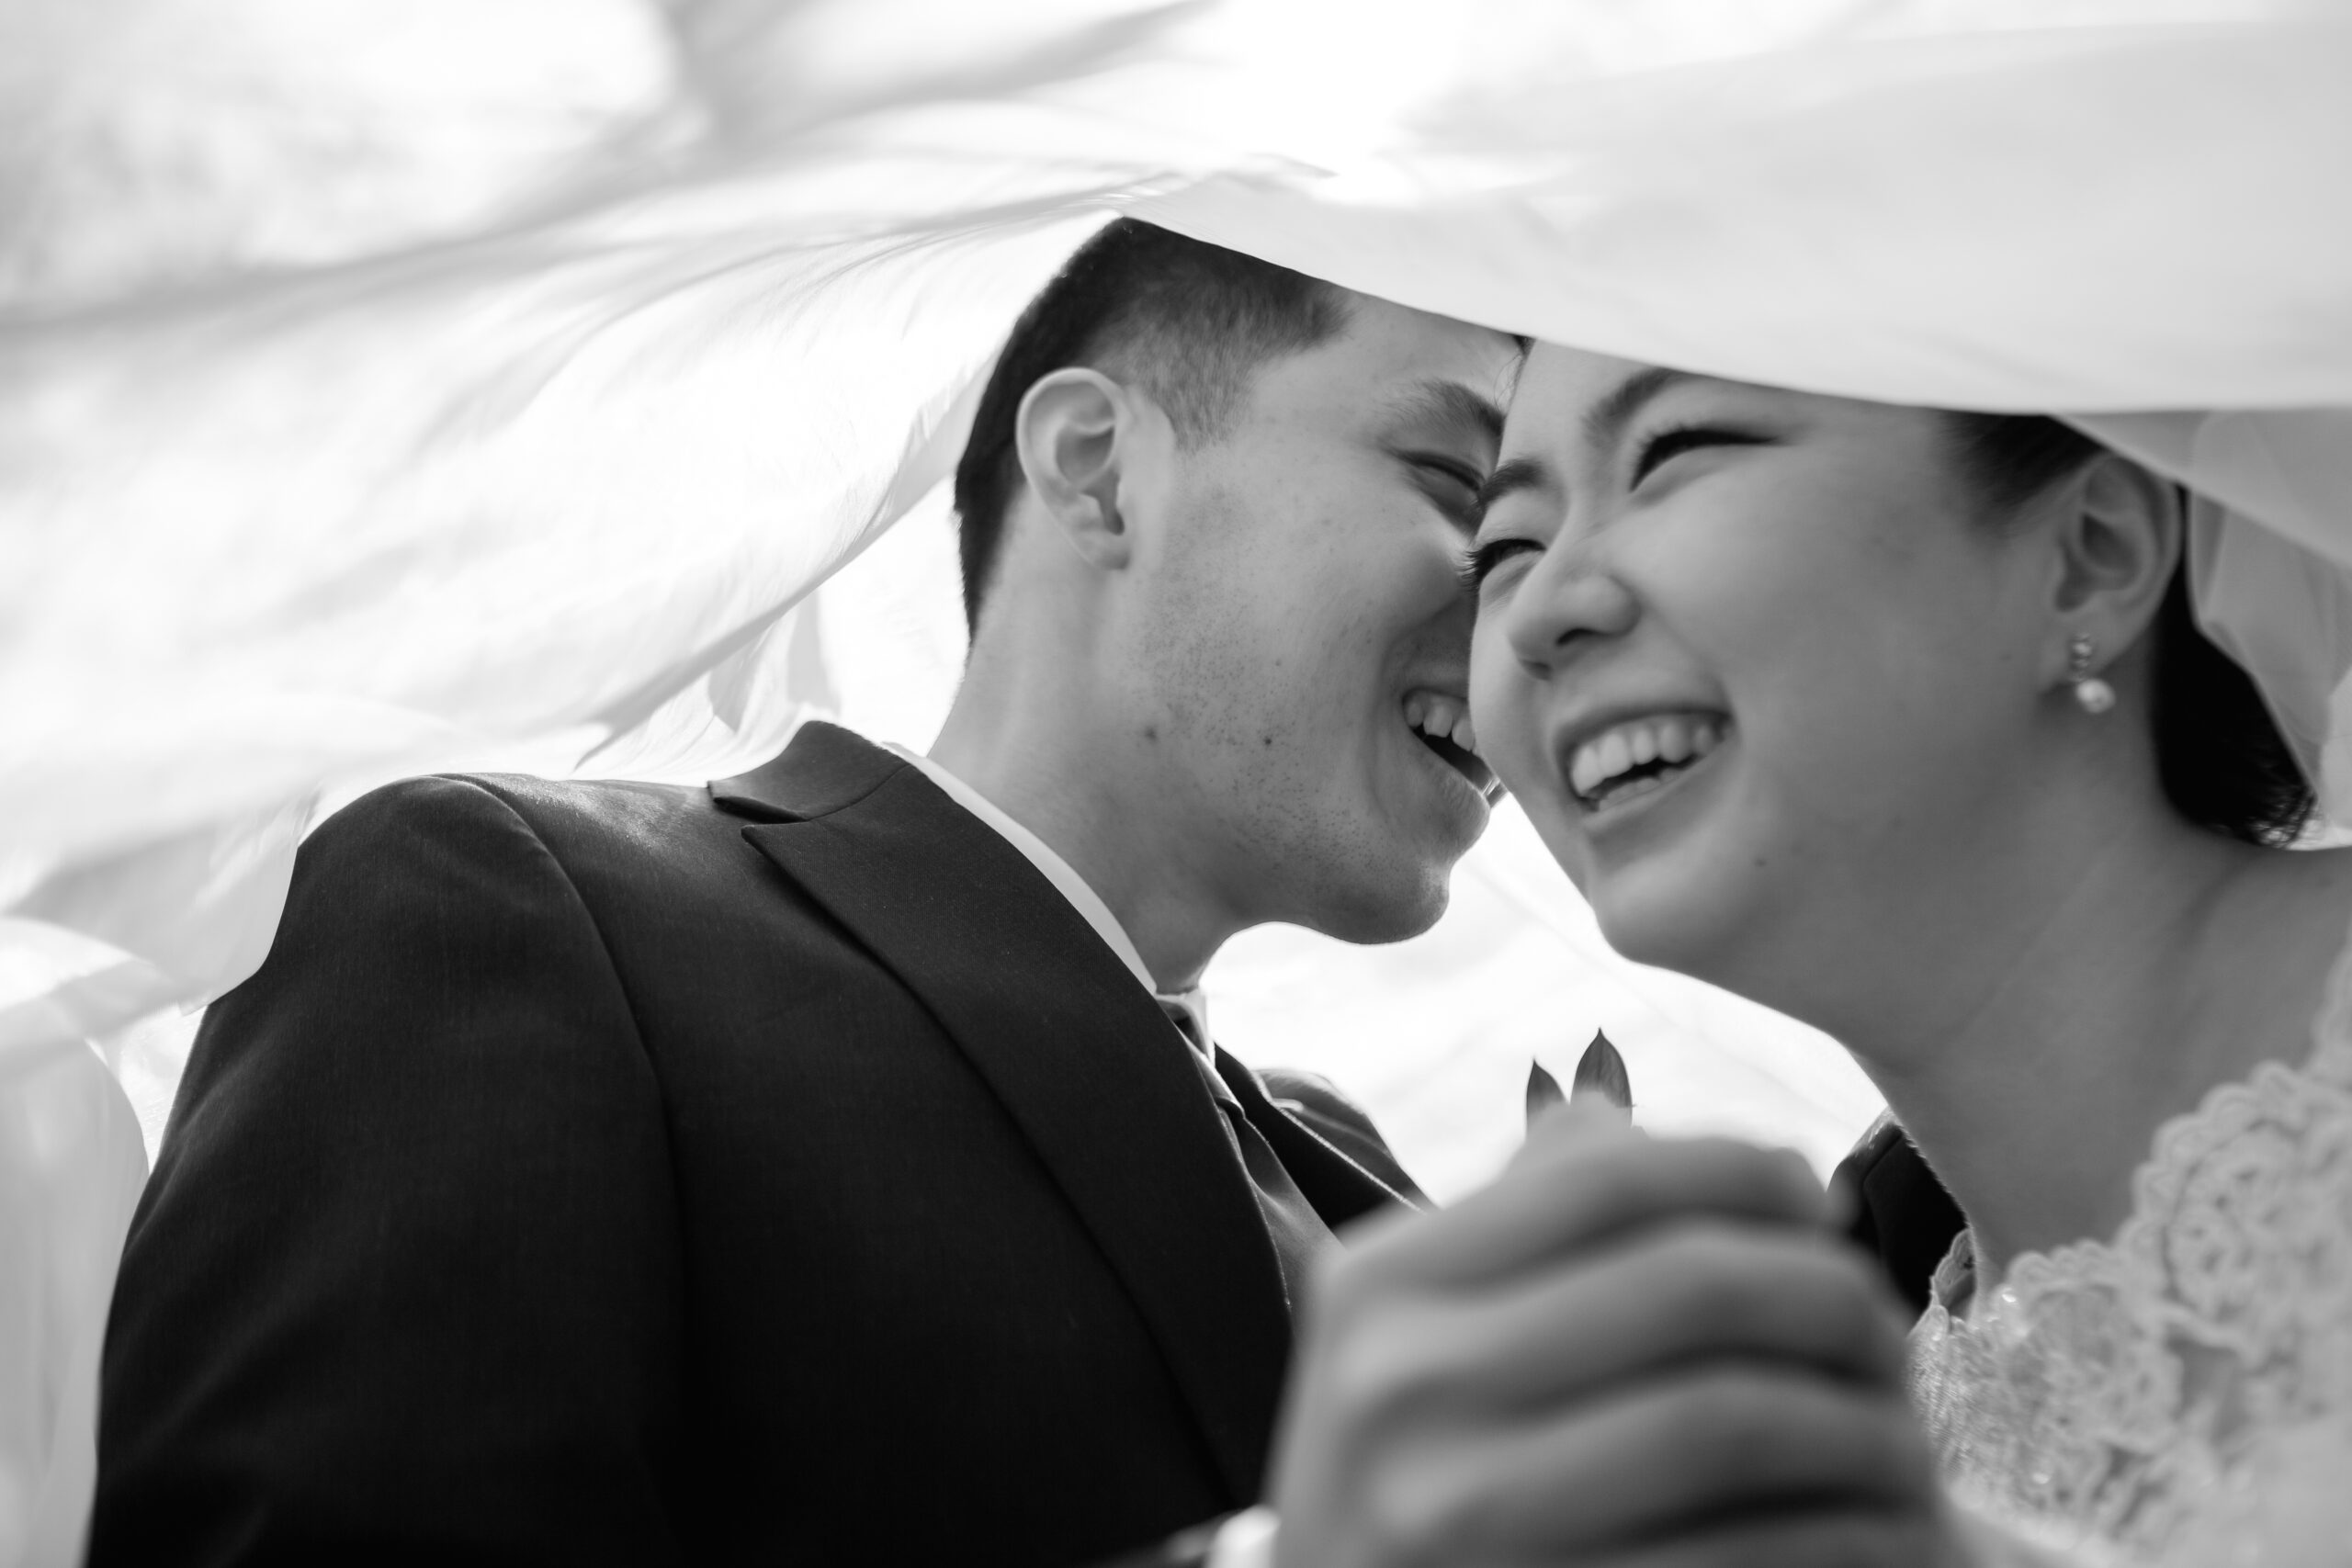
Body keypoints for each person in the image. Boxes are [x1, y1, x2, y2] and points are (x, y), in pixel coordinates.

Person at [89, 219, 1516, 1566]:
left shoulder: (1381, 1197)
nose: (1531, 624)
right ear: (1097, 469)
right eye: (1466, 491)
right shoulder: (510, 910)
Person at [1398, 341, 2352, 1563]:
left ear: (2090, 555)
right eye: (1504, 550)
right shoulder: (1893, 1429)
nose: (1539, 613)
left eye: (1677, 453)